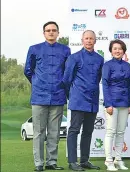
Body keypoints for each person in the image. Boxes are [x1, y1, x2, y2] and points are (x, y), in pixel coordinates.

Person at [24, 21, 70, 171]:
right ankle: (38, 163)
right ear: (43, 33)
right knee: (38, 132)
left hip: (58, 95)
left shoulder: (65, 50)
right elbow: (27, 70)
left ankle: (52, 162)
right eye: (48, 30)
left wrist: (61, 86)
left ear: (58, 33)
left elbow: (67, 72)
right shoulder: (34, 49)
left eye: (54, 30)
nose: (51, 32)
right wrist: (37, 82)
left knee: (54, 132)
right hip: (39, 96)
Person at [63, 30, 104, 171]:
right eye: (86, 38)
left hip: (92, 101)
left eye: (91, 38)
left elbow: (98, 79)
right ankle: (72, 162)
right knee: (74, 130)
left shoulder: (99, 59)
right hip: (78, 100)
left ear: (95, 40)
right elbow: (66, 80)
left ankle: (85, 160)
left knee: (88, 131)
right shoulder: (74, 57)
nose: (88, 41)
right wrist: (73, 96)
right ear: (82, 40)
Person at [102, 39, 130, 171]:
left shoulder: (127, 66)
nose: (117, 51)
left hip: (125, 102)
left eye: (120, 49)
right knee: (110, 132)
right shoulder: (107, 65)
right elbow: (104, 84)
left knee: (121, 132)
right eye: (115, 48)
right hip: (112, 103)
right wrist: (108, 104)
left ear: (123, 51)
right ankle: (108, 161)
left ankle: (118, 159)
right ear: (111, 51)